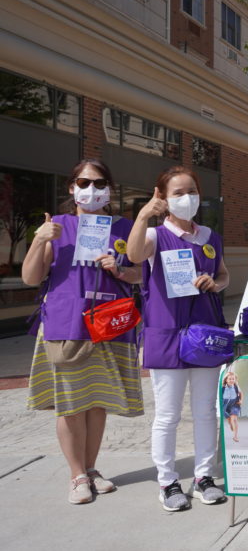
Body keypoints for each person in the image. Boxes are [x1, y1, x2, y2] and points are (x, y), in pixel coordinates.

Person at [22, 159, 144, 505]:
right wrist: (39, 240)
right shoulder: (57, 226)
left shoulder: (124, 228)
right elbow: (31, 277)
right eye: (85, 182)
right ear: (71, 187)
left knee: (97, 402)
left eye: (100, 183)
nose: (92, 189)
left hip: (110, 323)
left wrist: (120, 270)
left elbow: (141, 274)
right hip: (67, 324)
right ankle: (76, 475)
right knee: (72, 404)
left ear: (110, 189)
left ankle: (91, 469)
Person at [126, 166, 230, 512]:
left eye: (192, 191)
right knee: (168, 415)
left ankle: (204, 477)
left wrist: (215, 283)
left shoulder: (210, 237)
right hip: (167, 334)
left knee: (205, 411)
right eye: (178, 193)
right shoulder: (155, 235)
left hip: (204, 335)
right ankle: (168, 481)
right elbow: (134, 256)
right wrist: (143, 215)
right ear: (163, 198)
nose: (187, 198)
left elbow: (224, 275)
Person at [222, 371, 242, 443]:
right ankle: (230, 422)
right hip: (225, 405)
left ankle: (235, 436)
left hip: (234, 404)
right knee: (229, 419)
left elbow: (241, 393)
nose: (231, 380)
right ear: (226, 380)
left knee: (234, 419)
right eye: (230, 379)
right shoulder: (223, 388)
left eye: (233, 379)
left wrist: (241, 400)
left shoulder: (236, 386)